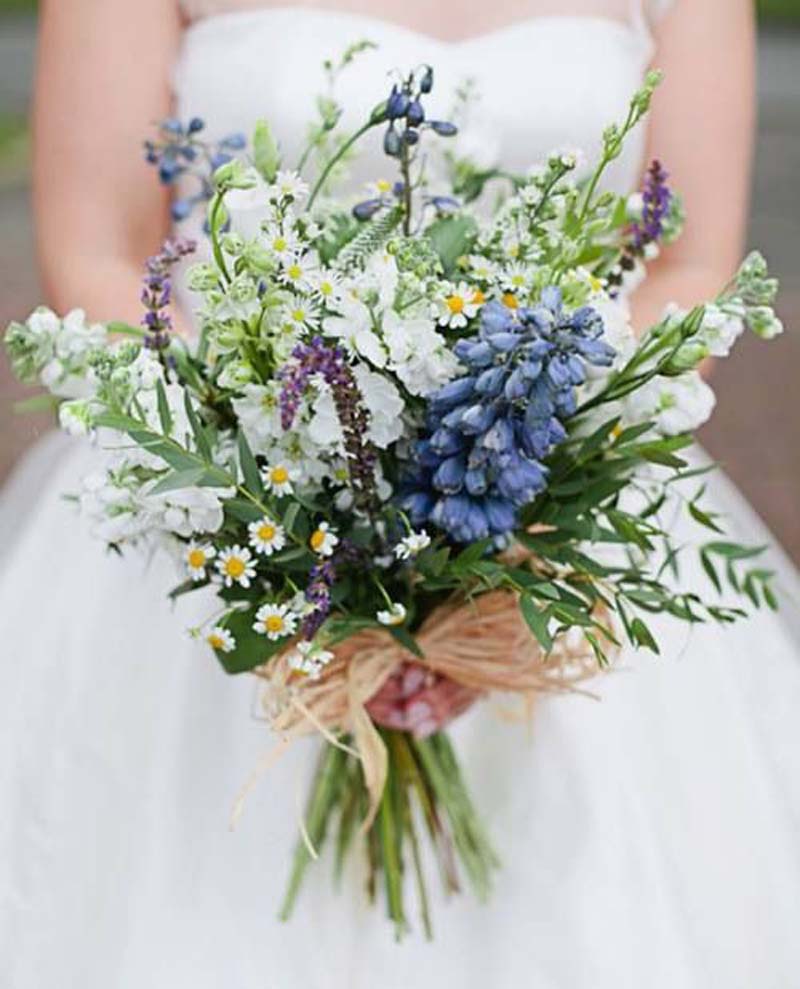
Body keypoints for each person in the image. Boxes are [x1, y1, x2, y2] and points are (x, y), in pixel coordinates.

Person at [2, 1, 799, 986]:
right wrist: (280, 504)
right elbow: (99, 257)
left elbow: (685, 264)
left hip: (548, 492)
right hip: (219, 521)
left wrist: (500, 532)